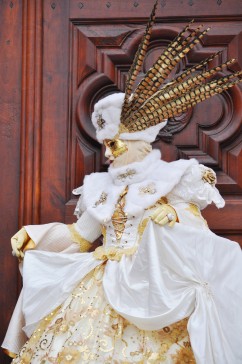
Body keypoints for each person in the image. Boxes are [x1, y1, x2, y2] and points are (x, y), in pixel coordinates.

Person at [2, 2, 242, 363]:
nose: (108, 154)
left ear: (137, 141)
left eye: (114, 144)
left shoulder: (173, 179)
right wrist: (36, 234)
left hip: (151, 287)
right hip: (98, 284)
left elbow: (196, 227)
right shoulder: (101, 188)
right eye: (105, 145)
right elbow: (80, 236)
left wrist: (174, 218)